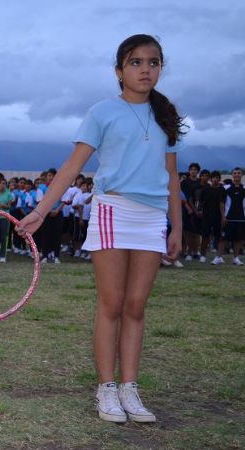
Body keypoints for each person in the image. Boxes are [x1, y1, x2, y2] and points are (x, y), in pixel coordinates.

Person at [16, 34, 185, 424]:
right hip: (113, 211)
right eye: (137, 62)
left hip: (152, 217)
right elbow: (72, 166)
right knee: (112, 304)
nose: (146, 69)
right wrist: (43, 210)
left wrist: (176, 226)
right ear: (119, 71)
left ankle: (130, 387)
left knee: (136, 307)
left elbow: (172, 177)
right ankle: (107, 388)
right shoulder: (102, 112)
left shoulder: (167, 116)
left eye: (153, 62)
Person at [212, 167, 244, 265]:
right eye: (235, 173)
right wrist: (223, 216)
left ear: (241, 175)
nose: (237, 175)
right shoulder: (226, 188)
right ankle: (218, 257)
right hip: (228, 218)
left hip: (241, 218)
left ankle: (236, 258)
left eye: (239, 173)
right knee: (223, 239)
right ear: (232, 175)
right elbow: (221, 203)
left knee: (238, 239)